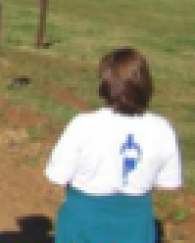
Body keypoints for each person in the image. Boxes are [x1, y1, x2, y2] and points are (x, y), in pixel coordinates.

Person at [44, 47, 182, 243]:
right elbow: (168, 182)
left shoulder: (83, 125)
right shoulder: (162, 129)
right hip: (135, 226)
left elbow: (57, 175)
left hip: (84, 221)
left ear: (106, 85)